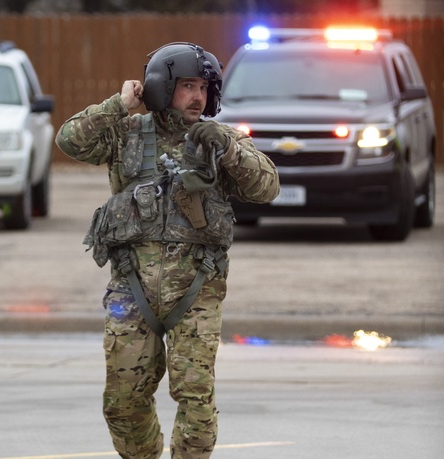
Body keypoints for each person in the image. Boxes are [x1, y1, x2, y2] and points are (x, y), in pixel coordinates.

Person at [55, 42, 279, 459]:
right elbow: (69, 141)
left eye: (204, 88)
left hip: (195, 292)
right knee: (123, 404)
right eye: (188, 86)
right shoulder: (126, 135)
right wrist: (117, 106)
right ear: (162, 87)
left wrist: (227, 151)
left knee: (195, 401)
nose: (198, 97)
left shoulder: (219, 141)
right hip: (131, 290)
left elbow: (267, 187)